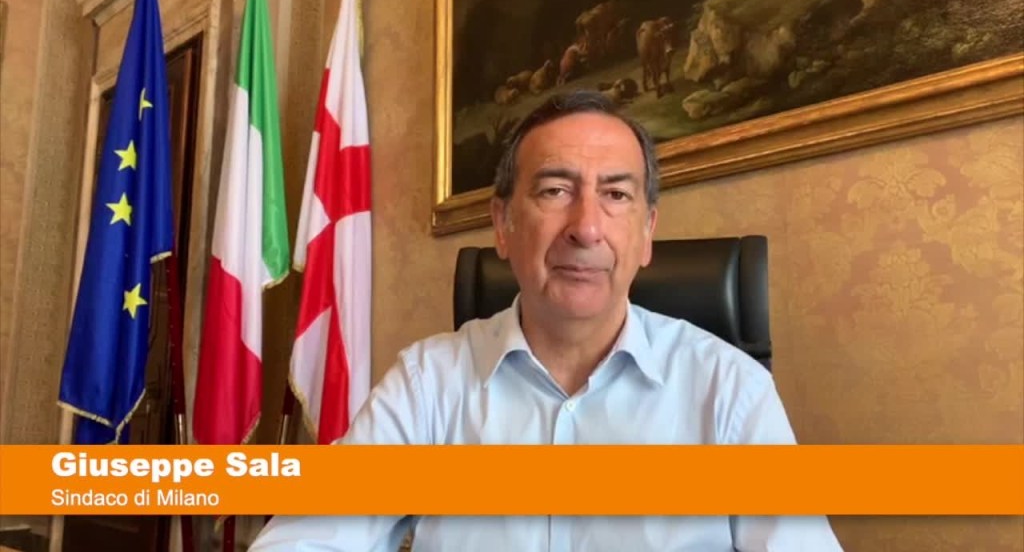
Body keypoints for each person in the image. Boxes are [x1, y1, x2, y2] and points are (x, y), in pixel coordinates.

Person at [249, 91, 844, 551]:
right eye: (556, 190)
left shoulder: (730, 389)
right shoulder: (427, 382)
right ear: (503, 225)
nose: (586, 227)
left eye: (616, 195)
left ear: (646, 233)